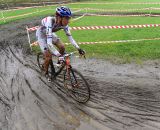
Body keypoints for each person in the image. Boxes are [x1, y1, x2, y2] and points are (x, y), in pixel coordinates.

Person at [36, 6, 85, 79]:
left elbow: (71, 39)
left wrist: (79, 49)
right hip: (41, 35)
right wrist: (59, 55)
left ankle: (59, 63)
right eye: (66, 18)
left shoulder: (65, 25)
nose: (68, 21)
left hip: (50, 33)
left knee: (62, 47)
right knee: (48, 57)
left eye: (69, 18)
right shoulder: (50, 21)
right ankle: (45, 72)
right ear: (59, 17)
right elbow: (49, 44)